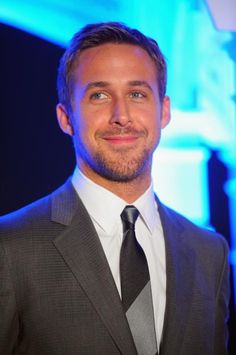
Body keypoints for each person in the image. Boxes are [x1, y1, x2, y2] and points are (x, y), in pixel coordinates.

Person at [0, 22, 230, 355]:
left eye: (137, 94)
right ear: (66, 118)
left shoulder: (210, 253)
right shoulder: (10, 248)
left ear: (163, 111)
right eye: (99, 95)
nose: (121, 115)